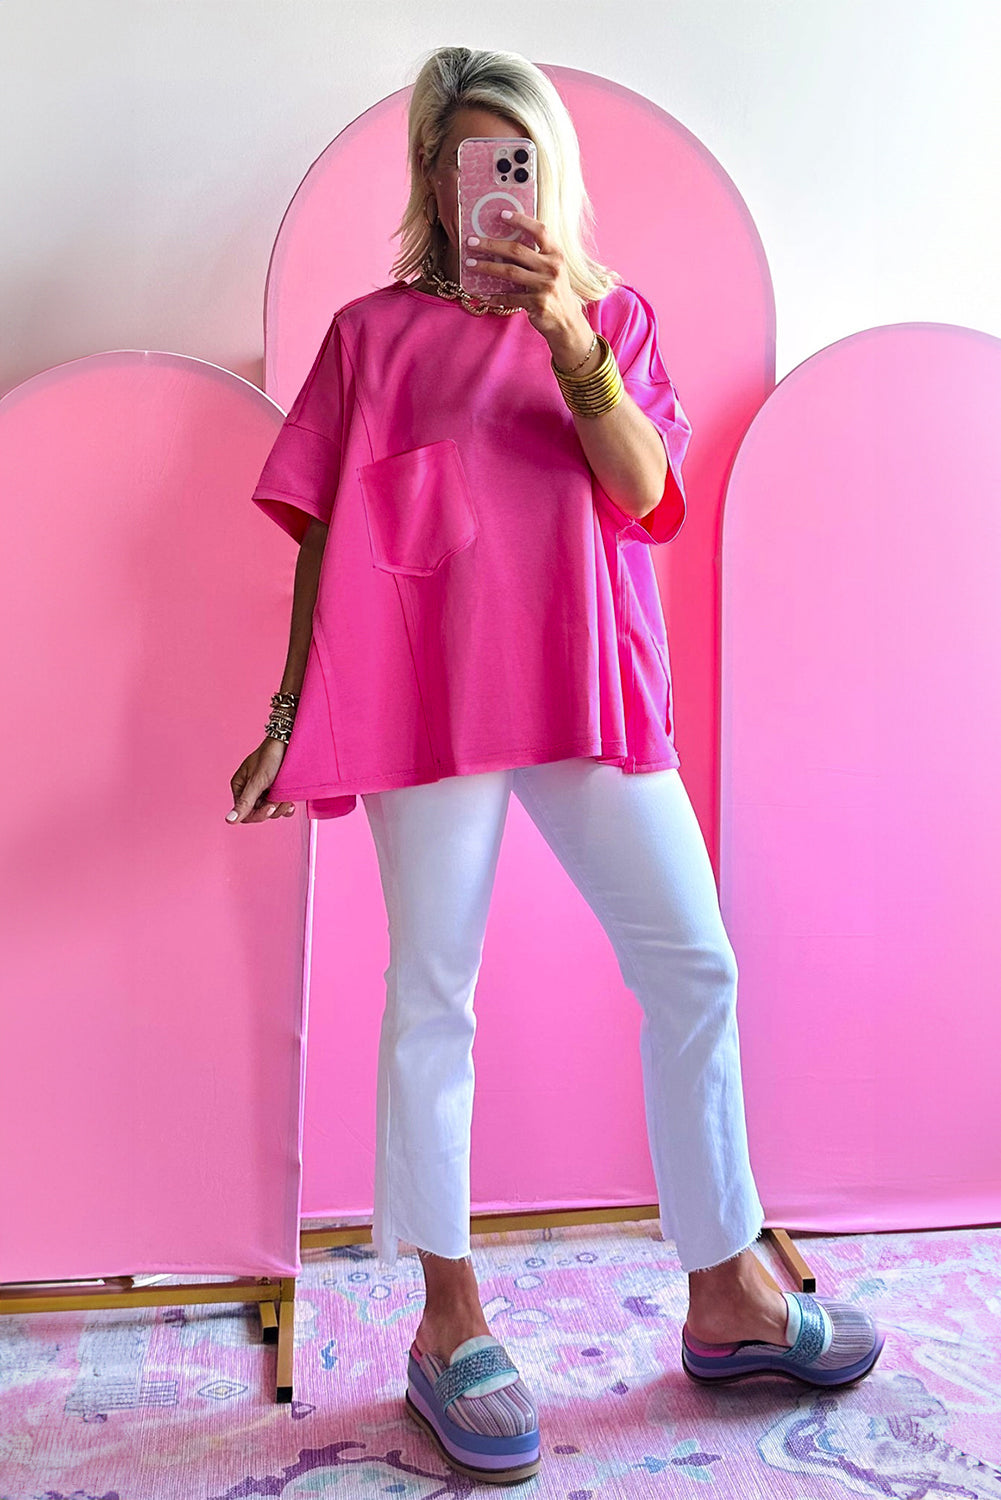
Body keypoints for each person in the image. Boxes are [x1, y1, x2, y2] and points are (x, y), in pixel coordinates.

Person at [229, 45, 883, 1488]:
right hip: (430, 692)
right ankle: (447, 1321)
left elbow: (646, 494)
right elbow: (326, 529)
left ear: (551, 172)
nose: (493, 184)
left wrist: (566, 334)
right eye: (468, 156)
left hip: (589, 680)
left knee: (692, 965)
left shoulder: (613, 316)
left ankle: (725, 1287)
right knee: (433, 992)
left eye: (516, 156)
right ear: (433, 177)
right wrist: (286, 710)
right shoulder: (371, 337)